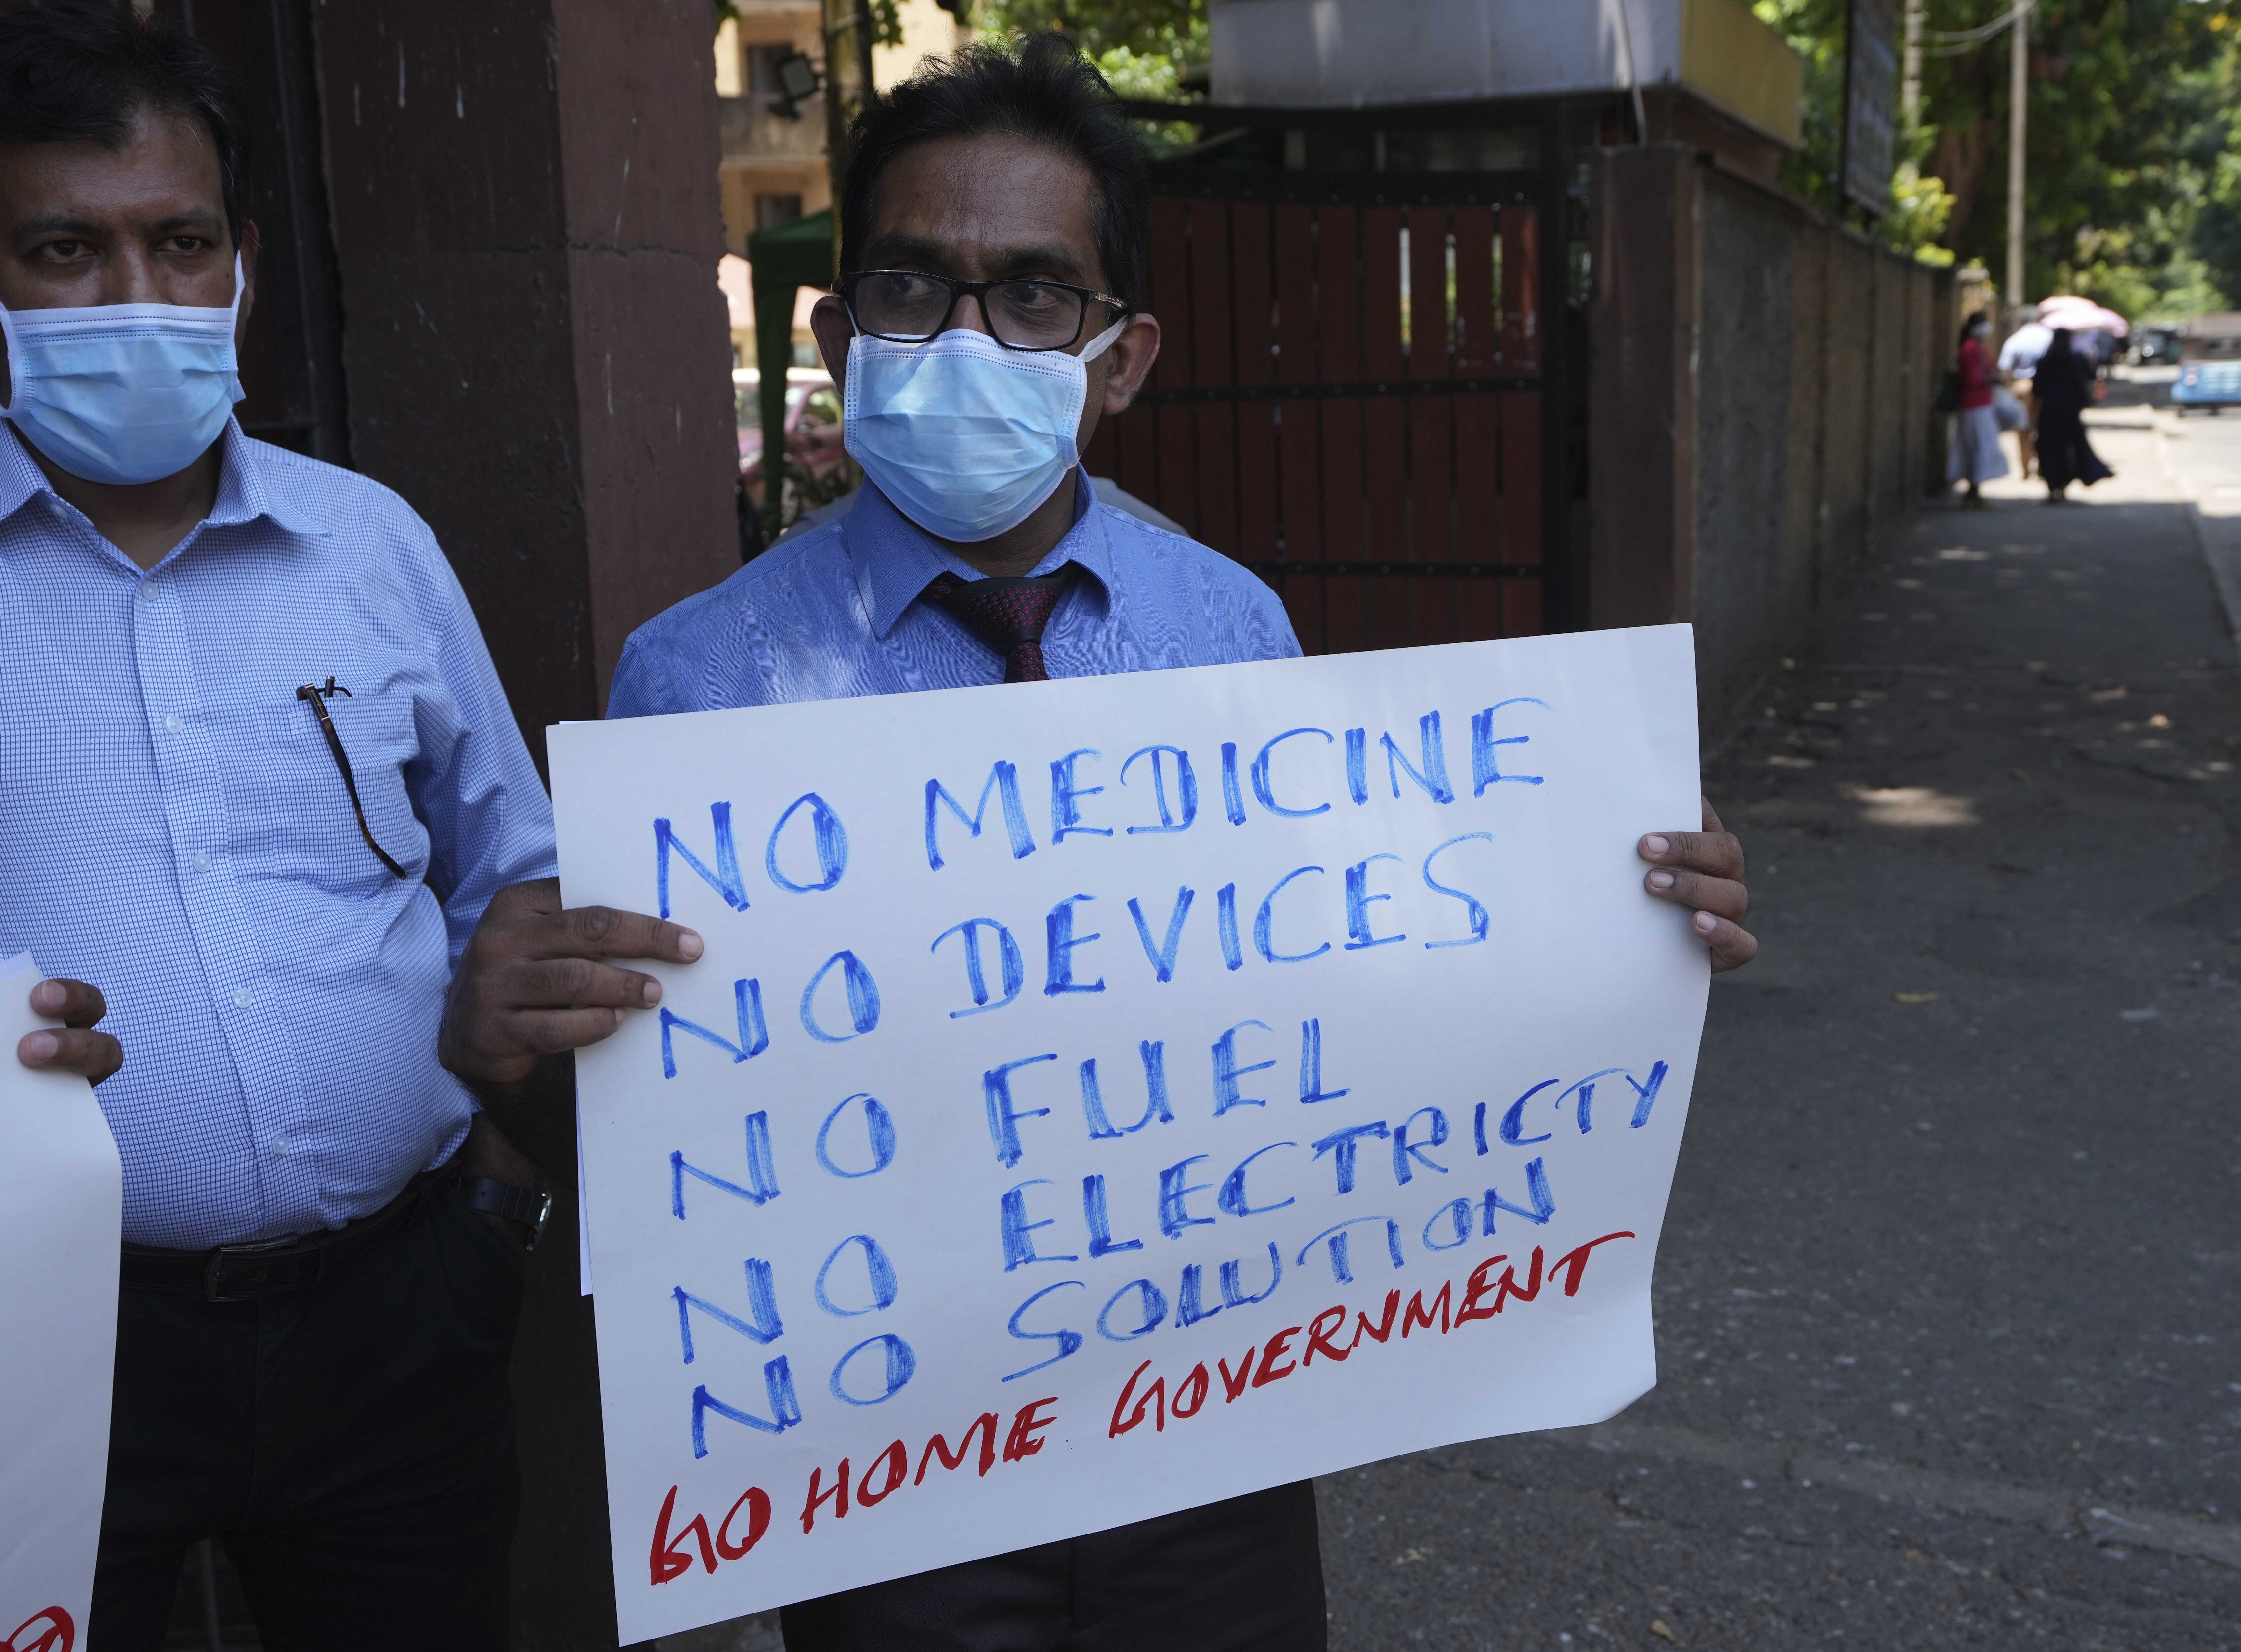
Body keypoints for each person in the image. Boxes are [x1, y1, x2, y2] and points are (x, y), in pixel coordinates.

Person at [606, 37, 1759, 1652]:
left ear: (1120, 358)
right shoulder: (689, 681)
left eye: (1030, 295)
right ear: (835, 334)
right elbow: (646, 1119)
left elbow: (1340, 974)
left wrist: (1610, 902)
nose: (965, 338)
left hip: (1205, 1427)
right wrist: (524, 1040)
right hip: (886, 1464)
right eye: (909, 287)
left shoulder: (1232, 626)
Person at [0, 9, 683, 1648]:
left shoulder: (367, 541)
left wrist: (497, 1185)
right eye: (63, 252)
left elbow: (506, 876)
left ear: (242, 260)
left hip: (403, 1318)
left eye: (179, 243)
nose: (139, 297)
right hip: (2, 1342)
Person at [2032, 327, 2115, 502]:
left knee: (2049, 448)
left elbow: (2037, 389)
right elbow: (2089, 378)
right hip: (2070, 412)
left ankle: (2053, 485)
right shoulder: (2076, 359)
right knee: (2071, 447)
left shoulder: (2045, 361)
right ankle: (2064, 482)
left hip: (2049, 412)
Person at [1946, 310, 2006, 509]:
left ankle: (1974, 492)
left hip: (1981, 405)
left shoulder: (1976, 347)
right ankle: (1973, 492)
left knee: (1979, 447)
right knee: (1978, 448)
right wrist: (1992, 380)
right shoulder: (1971, 349)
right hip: (1974, 406)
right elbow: (1972, 378)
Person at [1996, 307, 2052, 479]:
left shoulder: (2015, 340)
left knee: (2023, 429)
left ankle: (2025, 468)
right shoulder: (2050, 337)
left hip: (2021, 385)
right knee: (2045, 427)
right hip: (2045, 386)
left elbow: (2006, 370)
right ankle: (2044, 465)